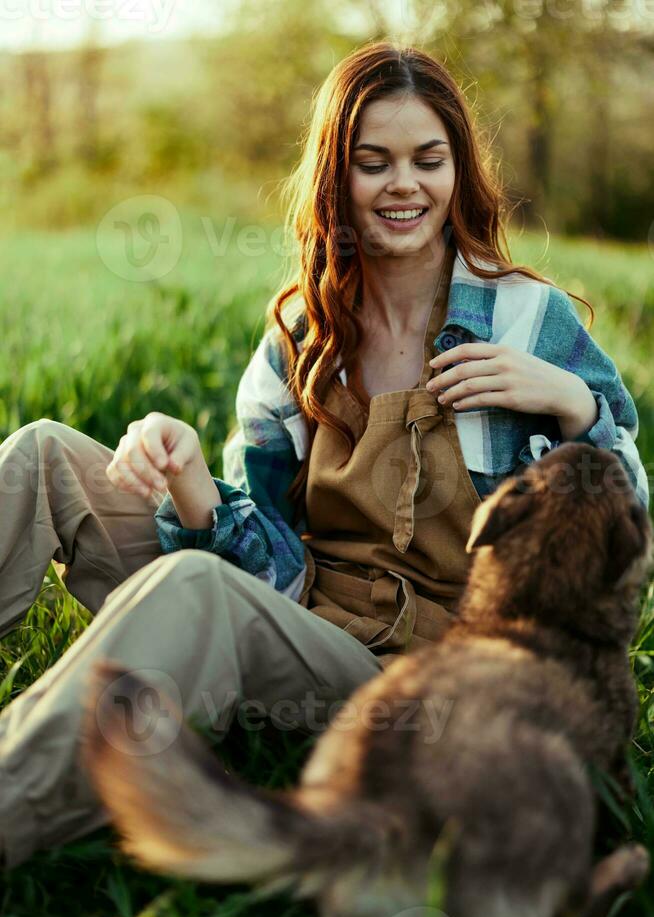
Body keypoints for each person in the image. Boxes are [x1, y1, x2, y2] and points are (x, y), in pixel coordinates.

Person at [0, 42, 648, 871]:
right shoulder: (303, 335)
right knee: (42, 454)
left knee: (195, 590)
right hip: (304, 622)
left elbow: (631, 540)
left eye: (428, 159)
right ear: (337, 179)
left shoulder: (528, 322)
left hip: (425, 684)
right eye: (373, 163)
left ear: (460, 170)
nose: (403, 185)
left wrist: (575, 403)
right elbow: (268, 568)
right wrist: (195, 486)